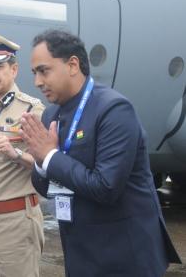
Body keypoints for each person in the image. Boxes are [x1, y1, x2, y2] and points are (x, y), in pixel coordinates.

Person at [21, 29, 182, 277]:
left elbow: (106, 187)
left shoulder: (113, 110)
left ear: (72, 64)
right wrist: (42, 162)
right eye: (35, 73)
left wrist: (51, 155)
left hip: (125, 257)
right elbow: (47, 188)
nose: (37, 82)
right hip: (81, 252)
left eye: (44, 71)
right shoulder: (52, 115)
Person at [0, 33, 45, 277]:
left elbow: (48, 164)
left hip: (14, 222)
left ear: (14, 69)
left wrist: (16, 154)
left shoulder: (31, 110)